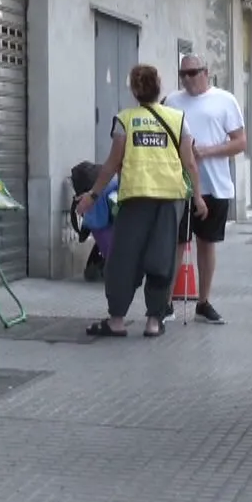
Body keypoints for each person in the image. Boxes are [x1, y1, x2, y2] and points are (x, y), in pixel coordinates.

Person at [75, 65, 208, 338]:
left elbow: (112, 164)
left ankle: (117, 320)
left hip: (135, 198)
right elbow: (190, 164)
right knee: (162, 258)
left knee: (124, 258)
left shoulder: (125, 120)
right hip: (170, 199)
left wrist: (92, 195)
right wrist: (197, 197)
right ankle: (154, 321)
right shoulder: (178, 118)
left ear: (135, 90)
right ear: (158, 87)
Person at [164, 54, 246, 325]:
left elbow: (240, 142)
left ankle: (204, 301)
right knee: (175, 243)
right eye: (182, 74)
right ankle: (164, 303)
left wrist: (207, 151)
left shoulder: (225, 100)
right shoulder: (172, 101)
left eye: (193, 72)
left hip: (215, 184)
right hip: (178, 185)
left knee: (206, 244)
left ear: (206, 72)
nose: (187, 79)